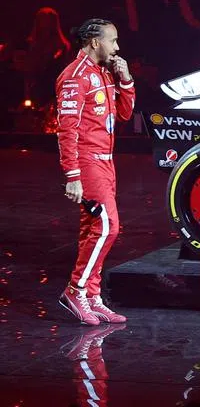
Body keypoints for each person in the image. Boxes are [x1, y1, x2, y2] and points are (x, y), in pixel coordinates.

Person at [56, 18, 135, 325]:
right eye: (112, 41)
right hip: (88, 162)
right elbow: (66, 129)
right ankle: (75, 291)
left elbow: (126, 114)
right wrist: (72, 175)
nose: (117, 47)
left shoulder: (103, 73)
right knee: (107, 227)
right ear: (94, 43)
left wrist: (125, 79)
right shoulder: (74, 77)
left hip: (107, 160)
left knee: (93, 229)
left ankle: (92, 295)